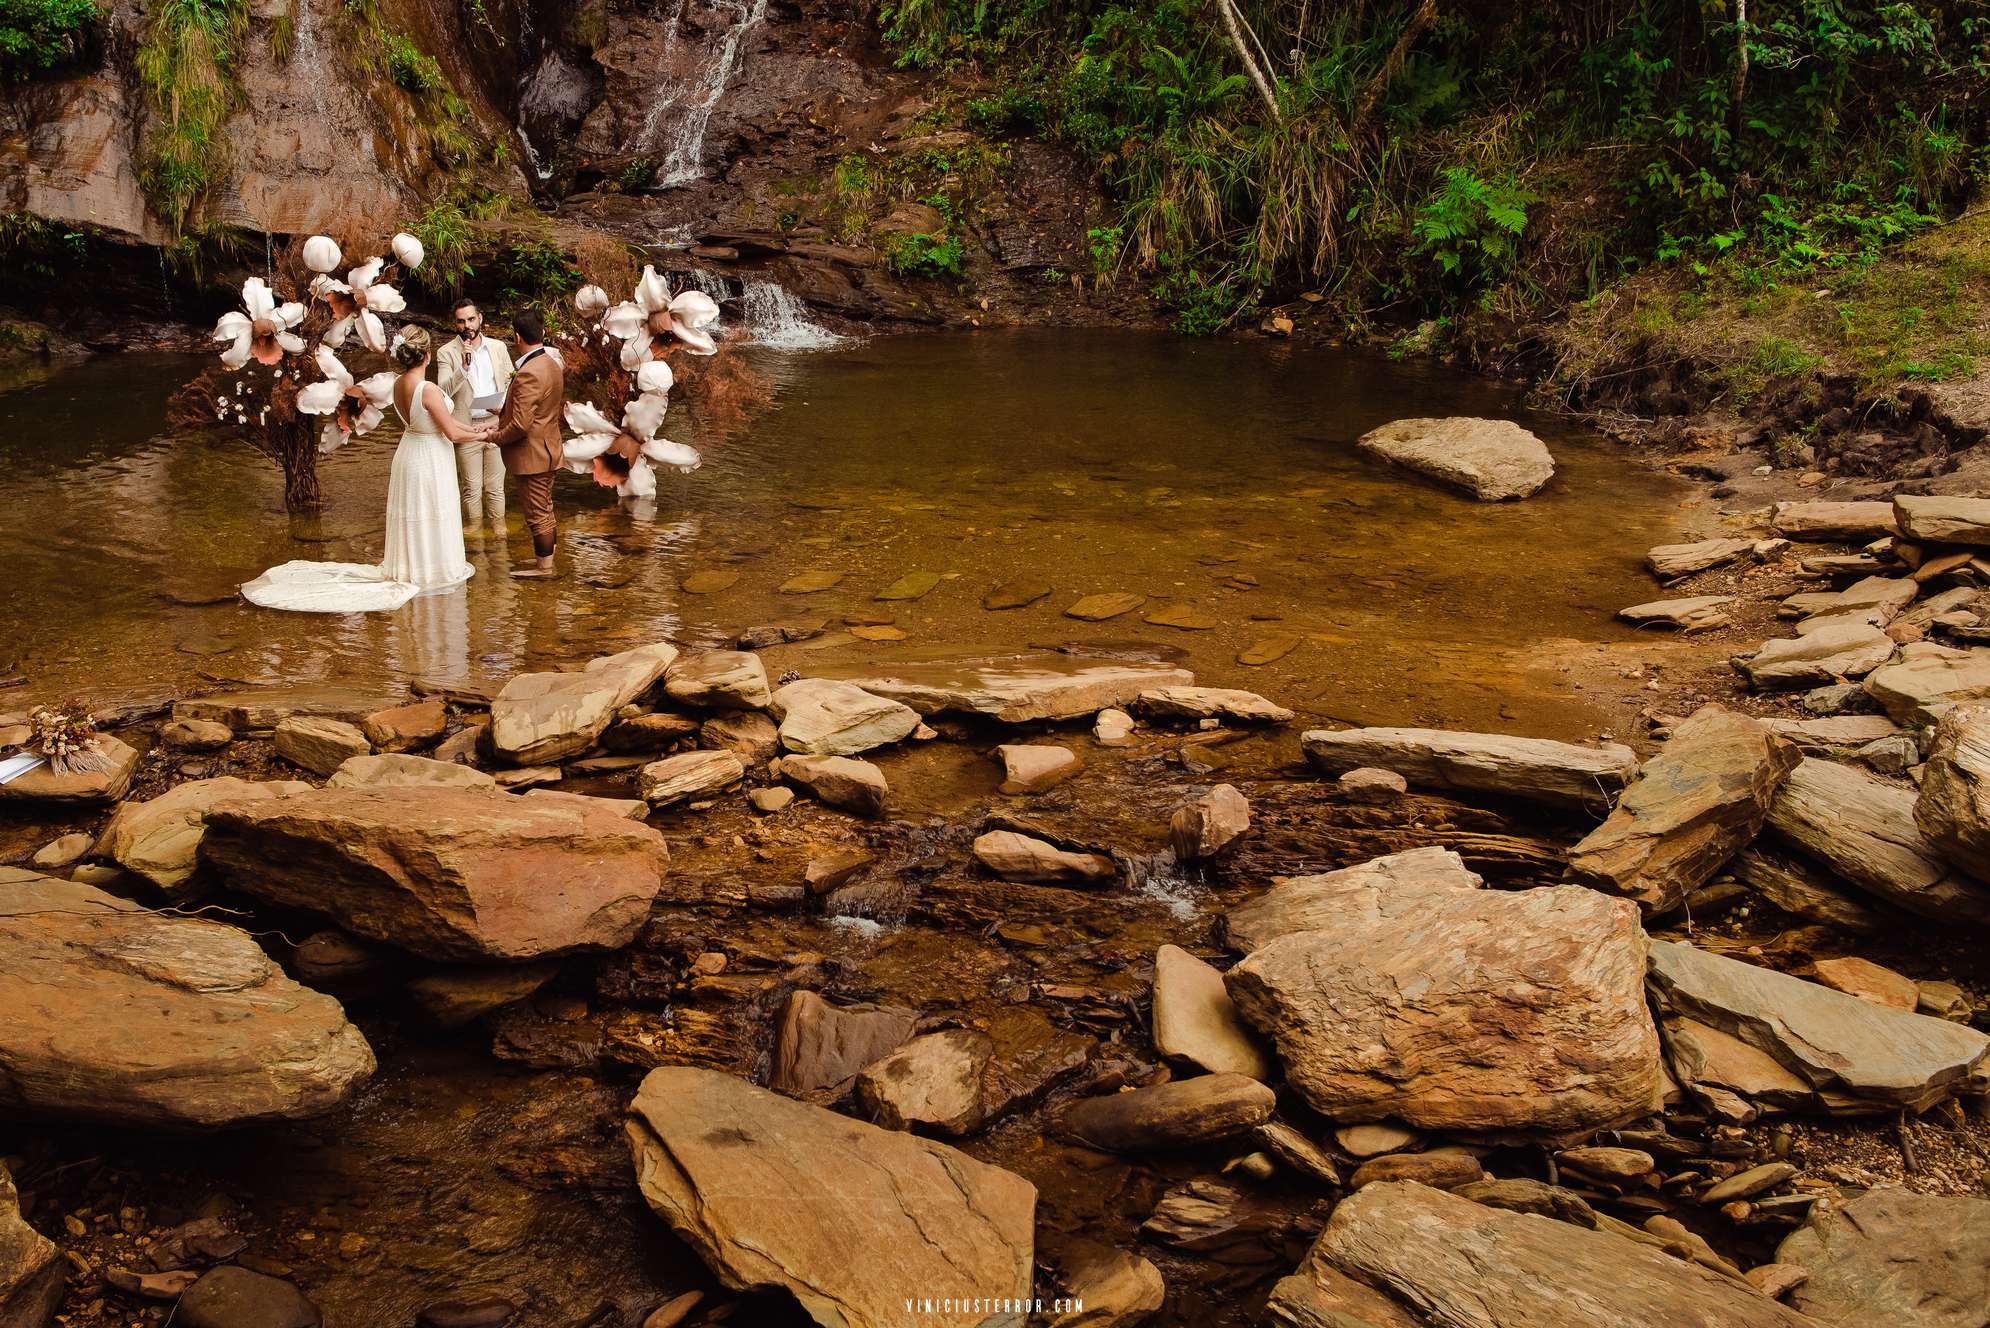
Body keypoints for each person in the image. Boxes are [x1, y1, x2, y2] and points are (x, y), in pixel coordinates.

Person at [241, 324, 481, 612]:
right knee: (432, 509)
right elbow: (451, 434)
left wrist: (477, 429)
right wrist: (485, 435)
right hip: (430, 457)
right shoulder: (427, 390)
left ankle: (416, 566)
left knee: (418, 512)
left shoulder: (398, 384)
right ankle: (432, 571)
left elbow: (442, 423)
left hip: (410, 452)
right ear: (426, 355)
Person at [488, 309, 565, 579]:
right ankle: (547, 563)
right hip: (548, 449)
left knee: (538, 515)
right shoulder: (551, 364)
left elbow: (521, 425)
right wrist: (497, 424)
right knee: (545, 510)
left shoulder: (529, 372)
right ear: (542, 332)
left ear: (517, 336)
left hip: (533, 456)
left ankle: (544, 570)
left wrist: (494, 436)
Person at [433, 298, 513, 535]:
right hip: (466, 426)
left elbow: (512, 381)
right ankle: (476, 533)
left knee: (495, 487)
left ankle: (499, 532)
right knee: (471, 487)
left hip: (496, 423)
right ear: (455, 324)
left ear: (480, 318)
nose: (467, 325)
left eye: (470, 319)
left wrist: (502, 410)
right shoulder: (446, 352)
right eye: (461, 321)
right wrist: (463, 369)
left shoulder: (498, 347)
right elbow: (443, 391)